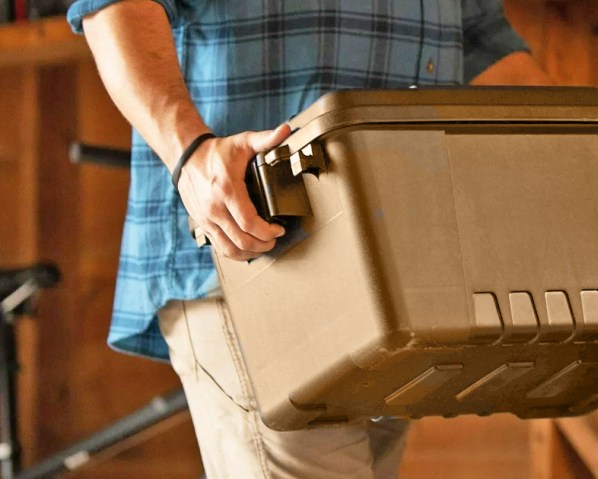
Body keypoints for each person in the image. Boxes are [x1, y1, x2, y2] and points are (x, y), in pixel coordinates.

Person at [66, 1, 552, 478]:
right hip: (255, 254)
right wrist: (191, 153)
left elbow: (483, 41)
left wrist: (589, 144)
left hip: (399, 273)